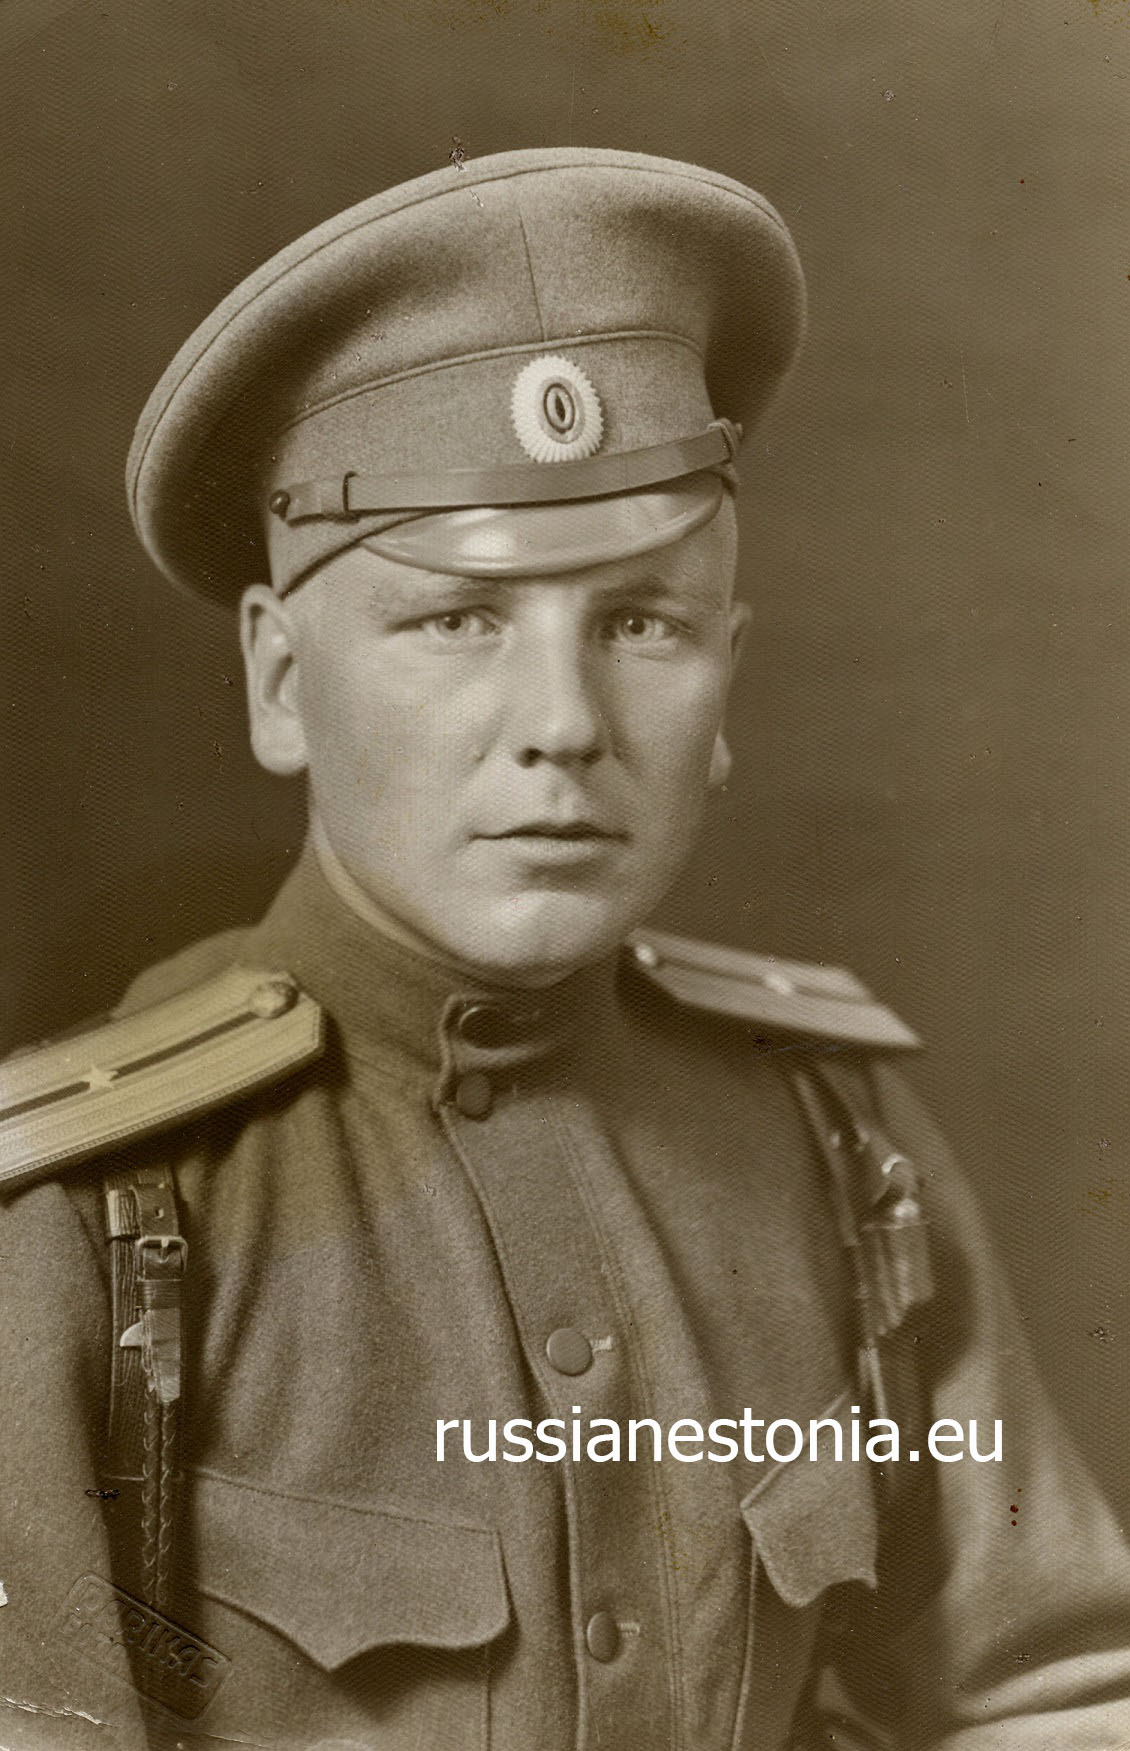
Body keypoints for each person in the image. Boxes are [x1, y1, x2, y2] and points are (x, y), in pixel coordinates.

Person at [0, 145, 1127, 1751]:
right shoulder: (91, 1217)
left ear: (724, 679)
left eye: (639, 623)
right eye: (459, 619)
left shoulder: (834, 1145)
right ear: (280, 679)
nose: (562, 725)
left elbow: (1053, 1700)